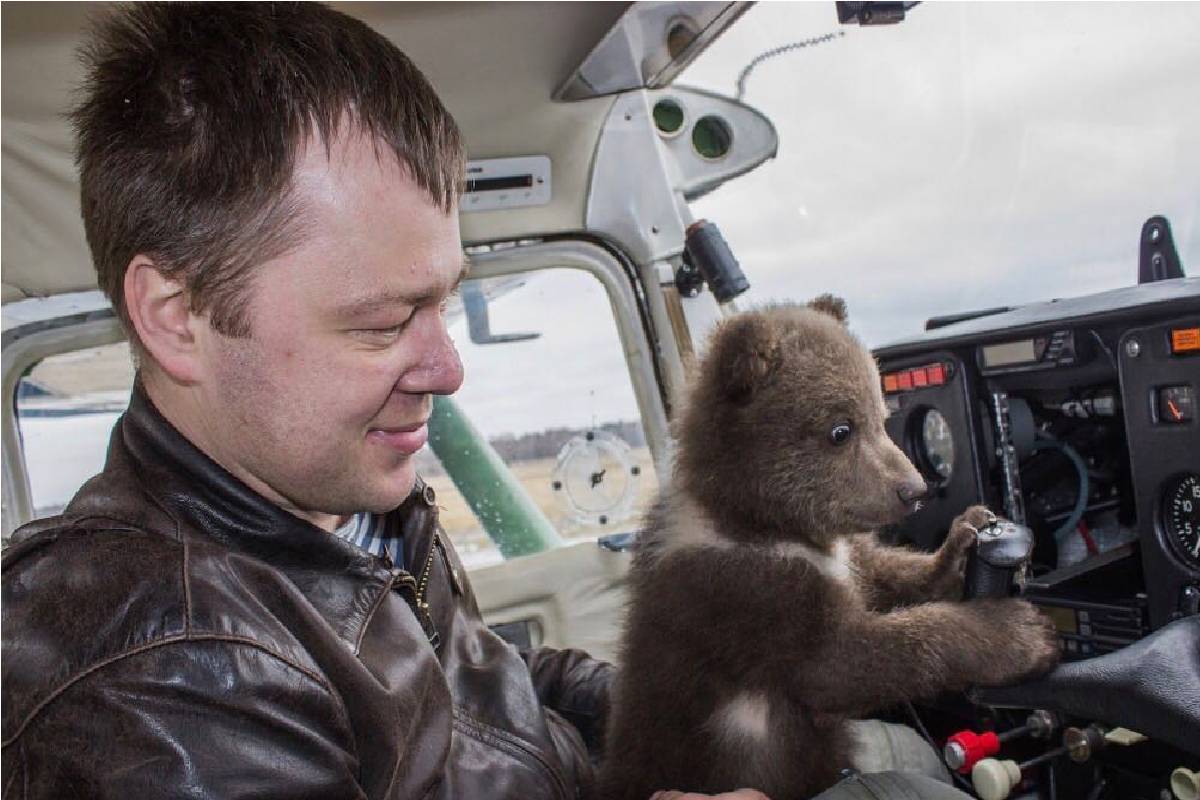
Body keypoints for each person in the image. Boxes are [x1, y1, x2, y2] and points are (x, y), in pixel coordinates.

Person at [1, 4, 969, 800]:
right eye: (381, 322)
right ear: (177, 317)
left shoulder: (339, 506)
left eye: (444, 300)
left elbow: (488, 687)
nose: (446, 366)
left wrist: (681, 693)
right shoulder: (162, 678)